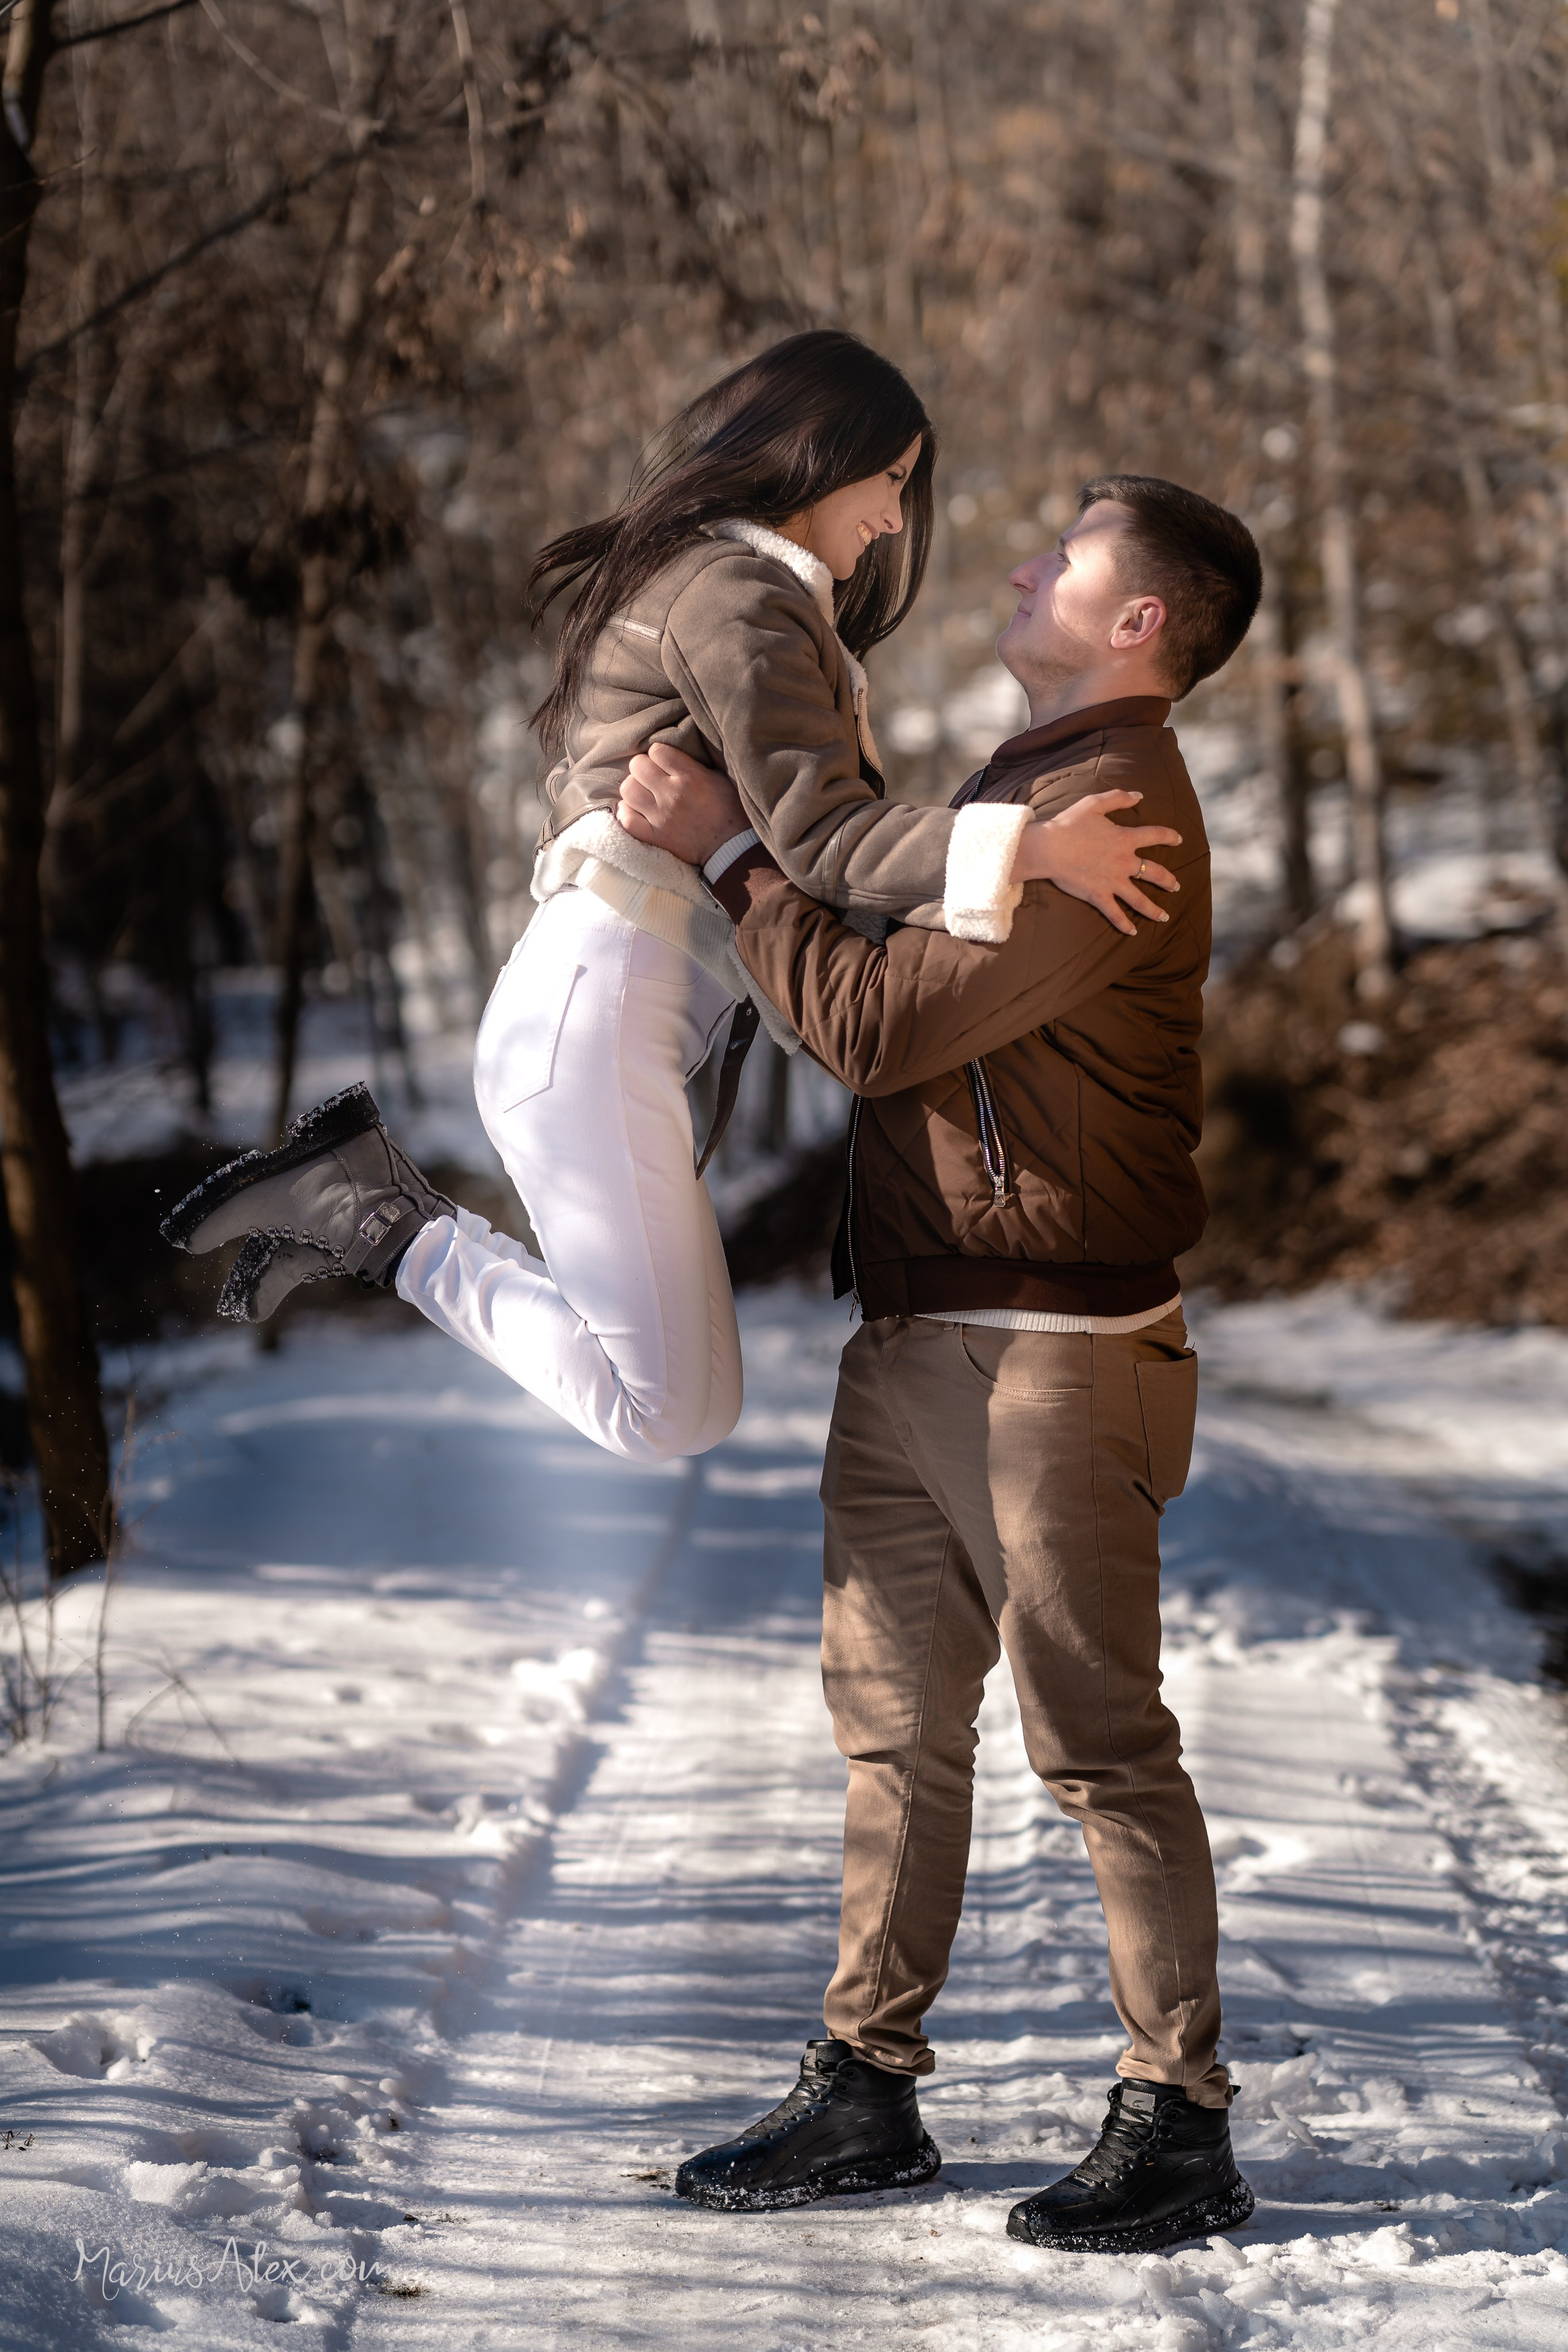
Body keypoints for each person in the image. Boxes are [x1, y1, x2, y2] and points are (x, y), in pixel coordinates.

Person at [614, 475, 1263, 2256]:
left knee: (1099, 1744)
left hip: (1057, 1354)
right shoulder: (1016, 790)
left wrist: (727, 852)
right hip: (916, 1325)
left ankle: (1179, 2116)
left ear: (1143, 623)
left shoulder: (1114, 806)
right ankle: (864, 2090)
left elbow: (876, 1023)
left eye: (1066, 553)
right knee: (893, 1731)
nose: (1019, 562)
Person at [162, 337, 1178, 1466]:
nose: (896, 520)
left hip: (604, 1027)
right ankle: (380, 1221)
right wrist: (1026, 848)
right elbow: (826, 840)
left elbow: (811, 866)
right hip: (590, 1022)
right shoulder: (735, 594)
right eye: (889, 480)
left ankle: (382, 1213)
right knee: (670, 1413)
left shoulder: (736, 593)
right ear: (812, 453)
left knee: (687, 1402)